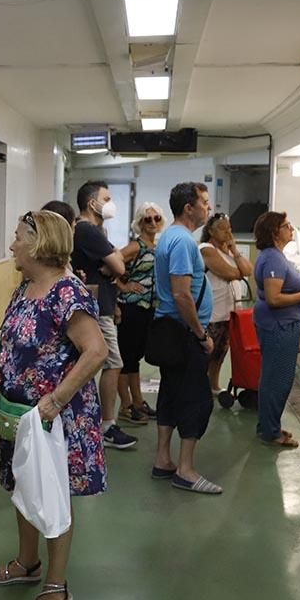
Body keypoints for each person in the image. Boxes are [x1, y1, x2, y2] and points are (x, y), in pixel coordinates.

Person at [0, 210, 109, 600]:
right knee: (23, 483)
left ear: (38, 245)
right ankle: (26, 562)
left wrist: (55, 399)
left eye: (17, 237)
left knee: (52, 494)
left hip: (56, 419)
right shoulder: (27, 287)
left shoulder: (66, 294)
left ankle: (56, 584)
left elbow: (96, 351)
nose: (12, 245)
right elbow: (7, 336)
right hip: (19, 415)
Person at [151, 182, 222, 495]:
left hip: (171, 329)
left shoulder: (170, 236)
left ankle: (163, 459)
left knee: (170, 392)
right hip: (183, 332)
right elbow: (182, 295)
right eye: (204, 202)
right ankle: (186, 469)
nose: (208, 207)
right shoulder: (182, 242)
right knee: (195, 399)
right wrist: (201, 334)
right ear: (189, 208)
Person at [70, 181, 138, 450]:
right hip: (95, 309)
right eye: (106, 198)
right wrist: (116, 263)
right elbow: (119, 266)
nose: (111, 203)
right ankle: (106, 425)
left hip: (105, 305)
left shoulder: (95, 231)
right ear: (92, 203)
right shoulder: (87, 230)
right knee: (113, 363)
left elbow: (112, 268)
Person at [252, 211, 300, 447]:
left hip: (282, 325)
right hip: (278, 326)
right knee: (279, 380)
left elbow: (280, 288)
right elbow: (274, 298)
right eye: (286, 225)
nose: (291, 229)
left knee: (272, 378)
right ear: (275, 232)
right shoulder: (273, 258)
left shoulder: (275, 256)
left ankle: (267, 425)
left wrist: (299, 289)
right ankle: (271, 433)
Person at [116, 201, 164, 421]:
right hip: (132, 307)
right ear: (140, 223)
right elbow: (109, 265)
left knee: (135, 357)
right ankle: (125, 405)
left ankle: (137, 401)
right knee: (126, 358)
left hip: (149, 308)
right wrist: (123, 286)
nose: (153, 222)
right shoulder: (136, 247)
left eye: (156, 218)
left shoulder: (157, 246)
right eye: (147, 219)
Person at [199, 212, 253, 394]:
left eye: (229, 229)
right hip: (213, 312)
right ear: (211, 231)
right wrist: (238, 271)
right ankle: (199, 386)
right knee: (208, 352)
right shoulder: (206, 249)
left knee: (221, 352)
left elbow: (247, 270)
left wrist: (235, 250)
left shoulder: (229, 251)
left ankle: (213, 384)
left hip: (230, 312)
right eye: (222, 229)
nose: (227, 233)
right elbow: (229, 273)